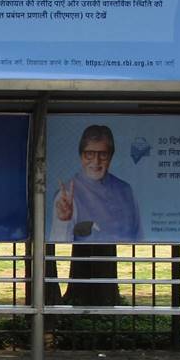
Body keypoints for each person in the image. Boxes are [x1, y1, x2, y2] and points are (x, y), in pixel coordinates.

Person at [50, 124, 140, 306]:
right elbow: (57, 239)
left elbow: (138, 233)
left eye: (103, 154)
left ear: (111, 156)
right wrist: (63, 220)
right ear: (81, 156)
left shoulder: (125, 191)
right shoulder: (66, 195)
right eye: (89, 154)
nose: (96, 161)